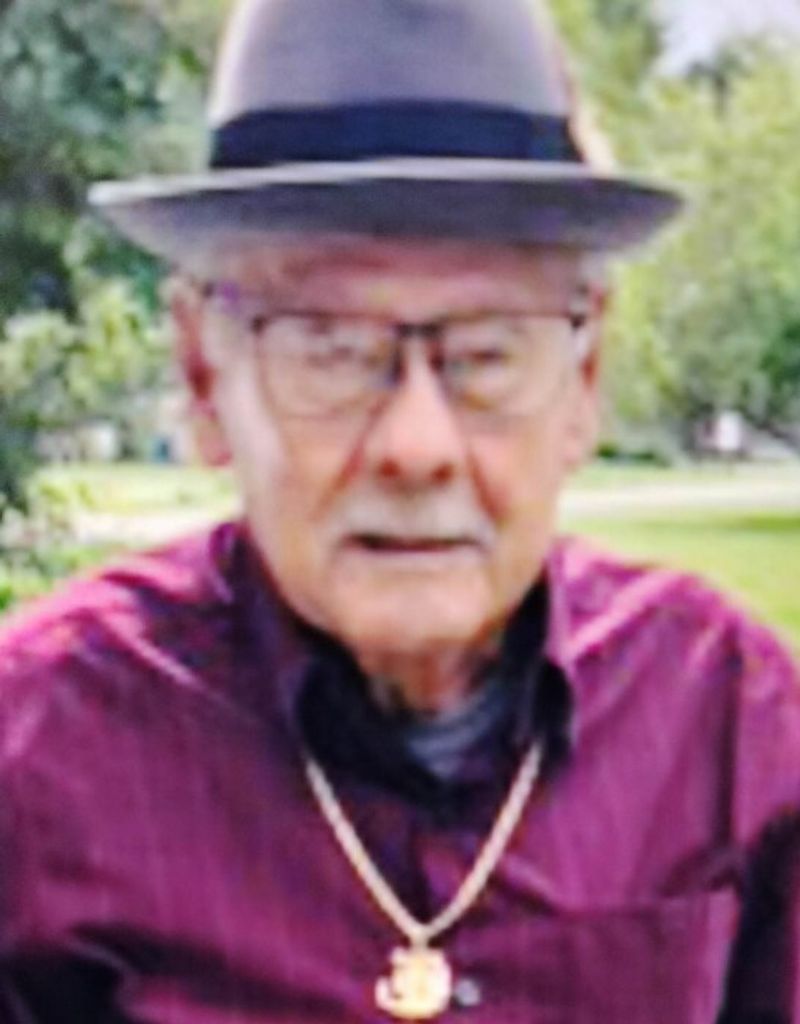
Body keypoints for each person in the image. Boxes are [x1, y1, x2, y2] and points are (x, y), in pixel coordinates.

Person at [1, 0, 798, 1021]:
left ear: (584, 376)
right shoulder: (38, 753)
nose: (416, 448)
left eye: (487, 352)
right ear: (204, 376)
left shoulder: (727, 723)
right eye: (330, 348)